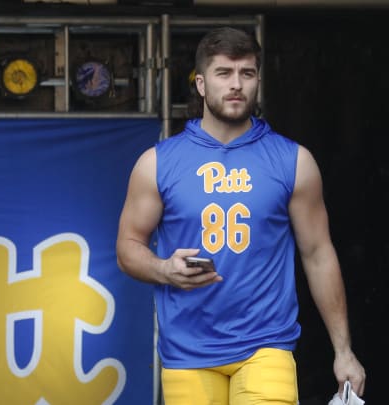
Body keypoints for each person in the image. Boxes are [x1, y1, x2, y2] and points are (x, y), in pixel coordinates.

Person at [115, 27, 365, 404]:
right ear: (200, 84)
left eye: (246, 74)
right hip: (187, 352)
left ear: (258, 81)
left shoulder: (293, 161)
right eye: (223, 73)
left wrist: (343, 351)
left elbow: (318, 254)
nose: (236, 85)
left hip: (266, 346)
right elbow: (127, 247)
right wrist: (164, 269)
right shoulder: (158, 163)